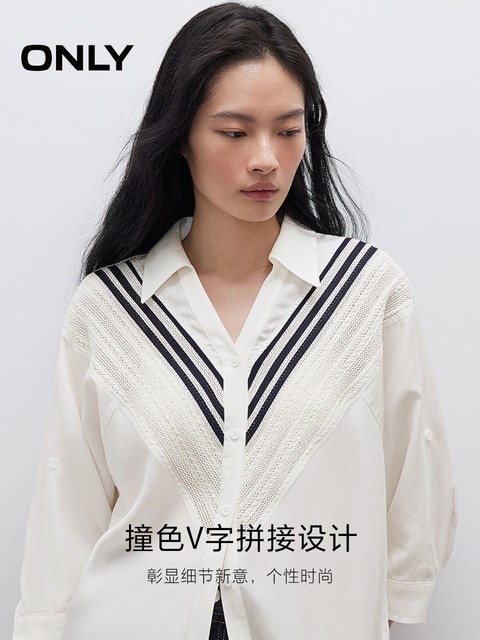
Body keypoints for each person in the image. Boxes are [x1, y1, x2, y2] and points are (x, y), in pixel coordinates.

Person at [12, 3, 456, 639]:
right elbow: (67, 508)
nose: (266, 159)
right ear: (180, 138)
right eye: (234, 132)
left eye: (288, 130)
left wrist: (390, 607)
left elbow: (416, 474)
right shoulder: (110, 307)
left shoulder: (365, 292)